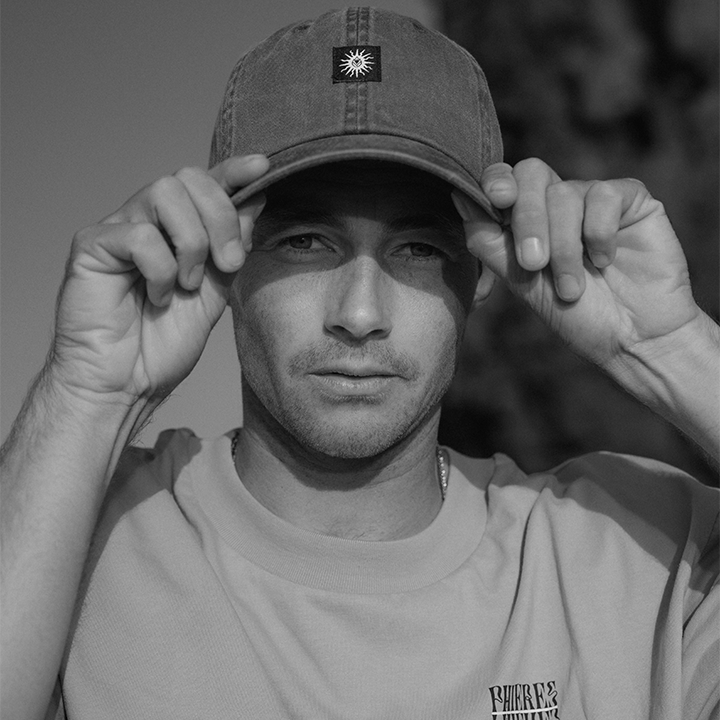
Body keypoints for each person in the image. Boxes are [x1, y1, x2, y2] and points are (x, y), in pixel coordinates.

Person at [1, 7, 717, 720]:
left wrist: (669, 346)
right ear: (225, 261)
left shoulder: (640, 552)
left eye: (417, 249)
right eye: (306, 242)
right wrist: (87, 390)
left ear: (482, 275)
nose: (361, 312)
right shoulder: (75, 530)